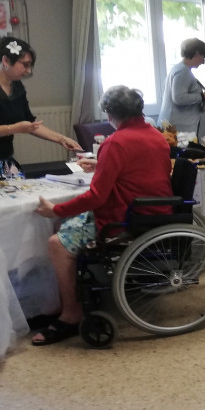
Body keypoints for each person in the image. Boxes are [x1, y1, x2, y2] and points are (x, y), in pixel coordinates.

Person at [32, 86, 173, 345]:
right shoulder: (155, 136)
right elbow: (143, 170)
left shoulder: (116, 142)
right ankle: (67, 298)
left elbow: (96, 197)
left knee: (57, 242)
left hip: (127, 217)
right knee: (64, 228)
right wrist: (103, 164)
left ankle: (71, 313)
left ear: (110, 114)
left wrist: (56, 209)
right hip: (155, 211)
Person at [0, 37, 81, 164]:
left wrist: (61, 139)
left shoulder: (17, 86)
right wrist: (13, 128)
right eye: (25, 65)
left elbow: (30, 124)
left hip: (5, 158)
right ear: (6, 60)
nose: (28, 70)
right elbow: (19, 127)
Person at [157, 37, 205, 135]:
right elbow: (179, 98)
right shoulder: (182, 71)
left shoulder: (177, 69)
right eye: (203, 57)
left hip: (175, 128)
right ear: (197, 53)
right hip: (178, 130)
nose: (203, 62)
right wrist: (202, 96)